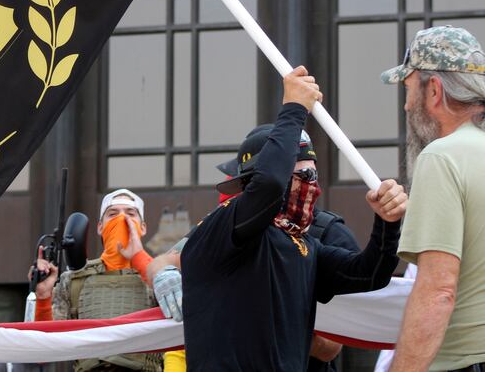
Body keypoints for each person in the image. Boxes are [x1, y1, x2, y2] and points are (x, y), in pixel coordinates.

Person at [148, 65, 407, 371]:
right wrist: (294, 108)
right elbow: (269, 186)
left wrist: (388, 222)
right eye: (299, 174)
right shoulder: (223, 228)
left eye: (312, 173)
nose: (310, 183)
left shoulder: (304, 245)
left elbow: (370, 274)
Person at [378, 25, 485, 371]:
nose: (407, 107)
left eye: (409, 90)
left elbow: (438, 291)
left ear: (434, 90)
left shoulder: (442, 157)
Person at [30, 188, 162, 371]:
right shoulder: (74, 280)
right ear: (100, 227)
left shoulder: (162, 277)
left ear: (143, 227)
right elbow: (44, 350)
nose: (121, 220)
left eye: (130, 214)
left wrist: (142, 262)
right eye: (113, 214)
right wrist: (44, 296)